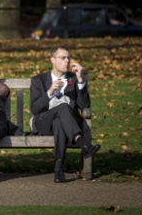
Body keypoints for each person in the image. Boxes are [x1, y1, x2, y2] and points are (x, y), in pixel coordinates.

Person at [30, 46, 101, 183]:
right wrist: (49, 92)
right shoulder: (38, 80)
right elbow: (35, 108)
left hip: (67, 125)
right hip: (44, 122)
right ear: (53, 60)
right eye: (63, 58)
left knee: (59, 121)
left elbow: (85, 106)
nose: (67, 61)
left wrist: (80, 81)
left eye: (68, 57)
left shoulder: (73, 79)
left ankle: (58, 170)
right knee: (62, 108)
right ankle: (82, 143)